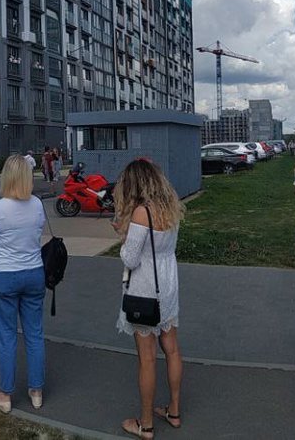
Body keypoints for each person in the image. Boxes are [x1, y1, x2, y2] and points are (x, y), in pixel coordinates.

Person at [115, 158, 184, 438]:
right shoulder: (170, 207)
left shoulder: (142, 212)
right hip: (167, 283)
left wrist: (123, 236)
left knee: (147, 358)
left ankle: (145, 424)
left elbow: (130, 258)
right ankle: (174, 410)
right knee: (172, 349)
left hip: (144, 287)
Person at [0, 155, 47, 414]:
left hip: (4, 274)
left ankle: (5, 394)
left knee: (6, 335)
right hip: (34, 272)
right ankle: (36, 390)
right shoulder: (38, 205)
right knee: (34, 333)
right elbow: (37, 233)